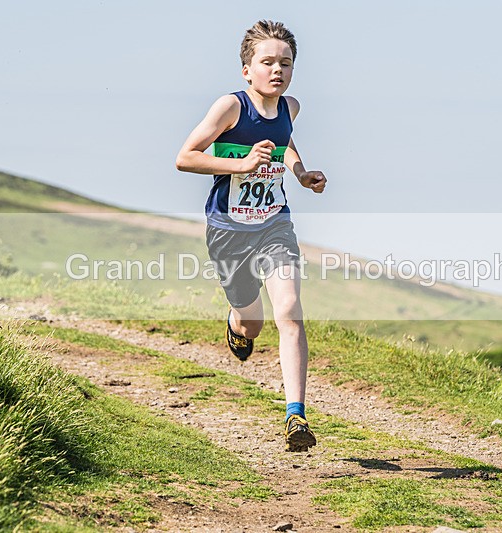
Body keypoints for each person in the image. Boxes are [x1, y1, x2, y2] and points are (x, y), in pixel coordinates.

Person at [175, 20, 326, 451]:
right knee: (253, 323)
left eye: (286, 62)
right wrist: (240, 166)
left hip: (274, 223)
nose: (277, 70)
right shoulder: (230, 108)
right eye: (267, 62)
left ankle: (295, 415)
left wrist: (300, 173)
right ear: (247, 69)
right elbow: (185, 158)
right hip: (228, 231)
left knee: (291, 311)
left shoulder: (289, 107)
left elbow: (284, 142)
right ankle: (235, 323)